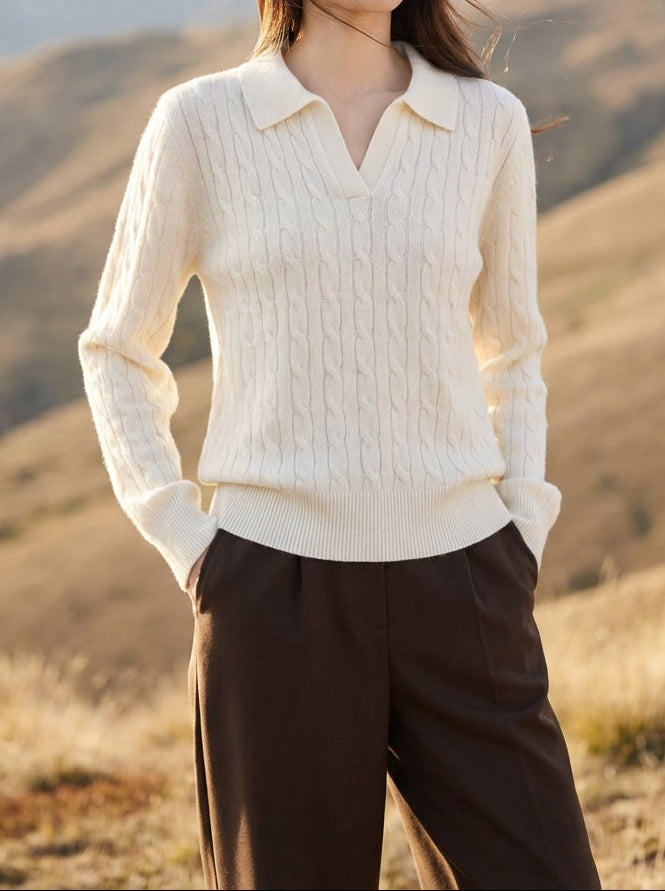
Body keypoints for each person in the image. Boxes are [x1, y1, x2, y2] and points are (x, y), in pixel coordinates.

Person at [78, 0, 602, 888]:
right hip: (272, 592)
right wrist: (192, 545)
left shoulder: (484, 122)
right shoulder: (201, 121)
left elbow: (512, 348)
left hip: (467, 577)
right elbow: (117, 347)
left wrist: (521, 527)